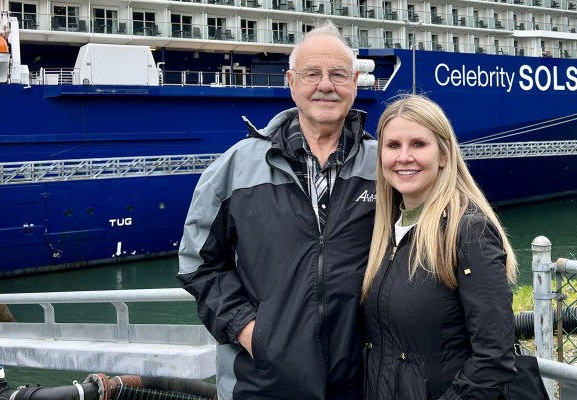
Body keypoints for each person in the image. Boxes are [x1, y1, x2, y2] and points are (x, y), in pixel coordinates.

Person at [177, 22, 378, 400]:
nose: (325, 85)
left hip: (363, 381)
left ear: (354, 83)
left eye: (338, 74)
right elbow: (197, 263)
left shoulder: (384, 167)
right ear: (291, 82)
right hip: (260, 384)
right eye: (312, 74)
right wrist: (249, 330)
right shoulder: (236, 167)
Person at [361, 95, 518, 399]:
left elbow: (494, 360)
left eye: (418, 144)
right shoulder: (384, 232)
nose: (404, 157)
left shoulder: (469, 231)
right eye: (393, 145)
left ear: (444, 155)